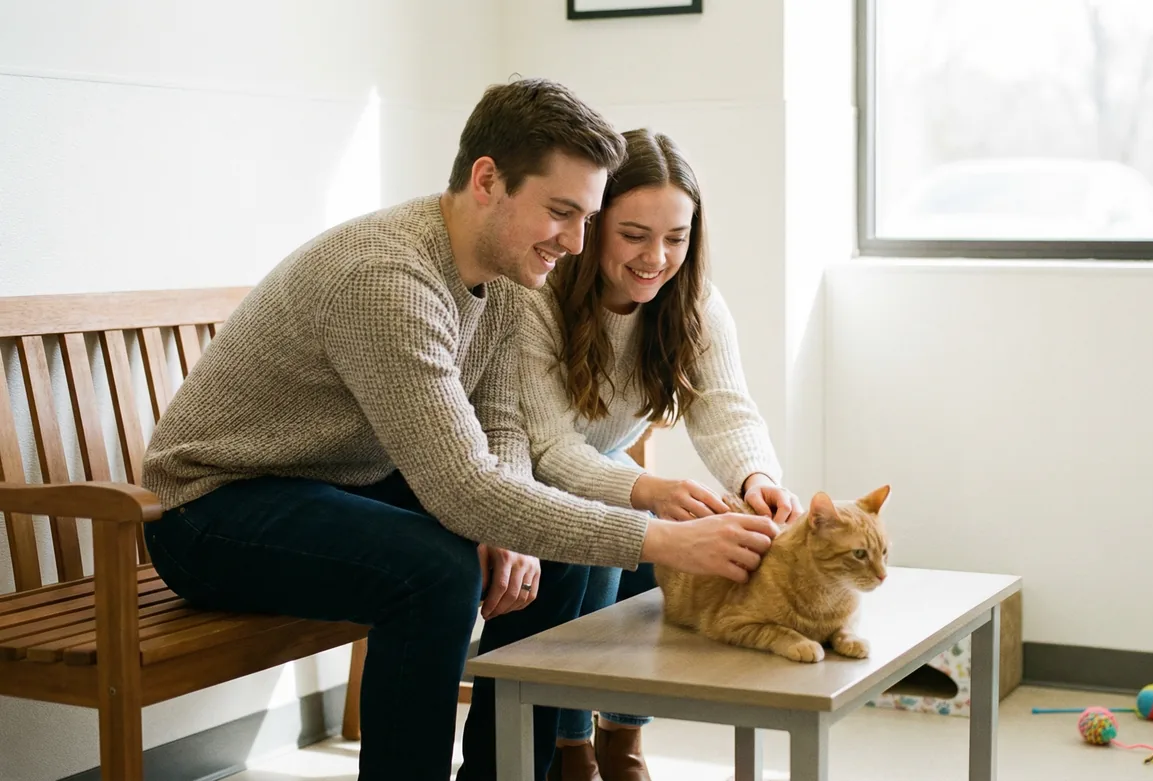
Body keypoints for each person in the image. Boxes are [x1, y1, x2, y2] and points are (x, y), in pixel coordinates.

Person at [139, 80, 781, 781]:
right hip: (213, 509)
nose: (574, 242)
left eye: (586, 218)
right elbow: (461, 486)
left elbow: (500, 427)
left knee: (553, 552)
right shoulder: (386, 278)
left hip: (340, 485)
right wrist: (661, 538)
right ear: (488, 181)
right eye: (561, 213)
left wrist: (511, 529)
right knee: (433, 572)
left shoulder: (508, 276)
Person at [517, 128, 803, 781]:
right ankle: (571, 749)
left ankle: (623, 736)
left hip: (602, 467)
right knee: (625, 532)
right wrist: (649, 492)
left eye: (677, 237)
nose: (657, 257)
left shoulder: (693, 299)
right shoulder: (541, 296)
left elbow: (725, 406)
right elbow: (548, 448)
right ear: (594, 224)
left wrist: (757, 477)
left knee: (668, 527)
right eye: (635, 234)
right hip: (522, 470)